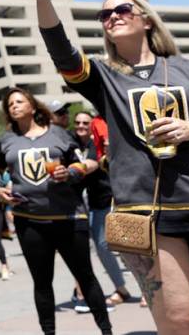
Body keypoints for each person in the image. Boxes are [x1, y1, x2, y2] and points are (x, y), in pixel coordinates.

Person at [31, 0, 189, 334]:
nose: (111, 16)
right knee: (179, 324)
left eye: (121, 8)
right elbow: (60, 48)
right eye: (104, 15)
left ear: (146, 19)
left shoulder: (187, 70)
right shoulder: (101, 76)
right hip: (148, 216)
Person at [0, 87, 112, 335]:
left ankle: (106, 330)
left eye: (19, 101)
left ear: (33, 106)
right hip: (29, 220)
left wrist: (71, 172)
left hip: (68, 217)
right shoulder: (6, 140)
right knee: (42, 283)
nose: (14, 106)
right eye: (10, 104)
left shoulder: (59, 135)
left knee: (85, 277)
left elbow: (83, 163)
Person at [71, 111, 132, 307]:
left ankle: (148, 291)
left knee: (131, 247)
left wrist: (73, 170)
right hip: (95, 204)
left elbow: (93, 164)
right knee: (102, 248)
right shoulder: (73, 145)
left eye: (85, 123)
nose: (81, 125)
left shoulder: (94, 144)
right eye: (77, 122)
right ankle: (121, 289)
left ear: (92, 125)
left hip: (114, 200)